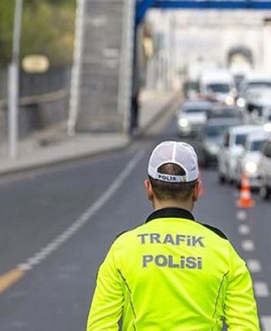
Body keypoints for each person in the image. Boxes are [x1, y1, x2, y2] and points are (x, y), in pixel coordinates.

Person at [86, 141, 260, 330]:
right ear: (196, 190)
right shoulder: (223, 251)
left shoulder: (122, 249)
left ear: (149, 189)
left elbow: (99, 326)